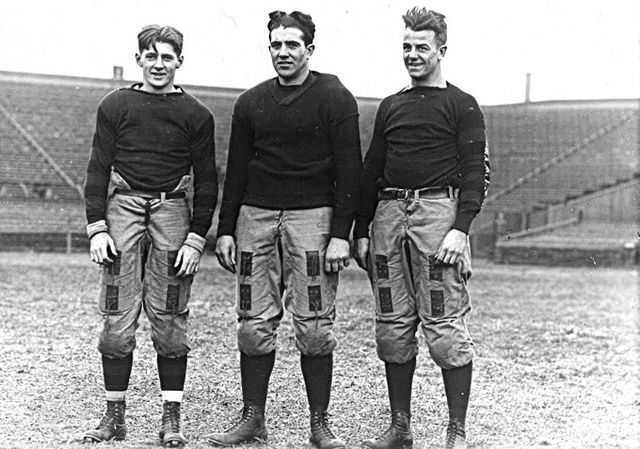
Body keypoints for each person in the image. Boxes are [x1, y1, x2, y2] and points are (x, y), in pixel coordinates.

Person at [209, 10, 362, 449]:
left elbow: (350, 167)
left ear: (310, 49)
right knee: (253, 322)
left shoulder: (334, 96)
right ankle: (253, 418)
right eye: (275, 44)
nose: (283, 52)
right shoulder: (251, 102)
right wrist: (226, 229)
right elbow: (235, 169)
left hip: (312, 218)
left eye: (292, 44)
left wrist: (340, 233)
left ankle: (319, 424)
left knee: (314, 324)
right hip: (255, 217)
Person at [353, 7, 489, 449]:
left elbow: (475, 172)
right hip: (389, 217)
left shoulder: (461, 103)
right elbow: (373, 169)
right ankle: (400, 428)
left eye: (421, 48)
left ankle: (456, 431)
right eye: (407, 47)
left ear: (441, 50)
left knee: (444, 323)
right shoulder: (391, 105)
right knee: (391, 323)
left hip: (437, 216)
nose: (412, 55)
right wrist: (360, 228)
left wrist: (460, 229)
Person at [82, 24, 217, 448]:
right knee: (117, 318)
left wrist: (197, 238)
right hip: (123, 204)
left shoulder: (196, 114)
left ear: (180, 60)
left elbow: (208, 179)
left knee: (171, 315)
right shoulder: (115, 104)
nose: (159, 63)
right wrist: (96, 227)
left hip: (172, 206)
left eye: (167, 56)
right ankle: (114, 415)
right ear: (139, 58)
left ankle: (171, 417)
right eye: (151, 55)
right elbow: (98, 166)